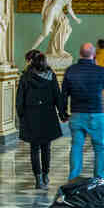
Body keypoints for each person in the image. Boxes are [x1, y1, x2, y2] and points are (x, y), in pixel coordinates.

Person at [61, 43, 104, 179]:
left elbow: (63, 94)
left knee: (76, 147)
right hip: (96, 114)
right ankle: (99, 178)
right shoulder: (100, 70)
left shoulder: (70, 70)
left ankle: (73, 178)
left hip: (77, 114)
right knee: (100, 148)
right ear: (93, 55)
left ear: (80, 54)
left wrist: (63, 113)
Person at [17, 50, 66, 189]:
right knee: (46, 147)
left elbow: (20, 99)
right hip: (48, 114)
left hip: (31, 115)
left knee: (34, 148)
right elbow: (57, 95)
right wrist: (62, 114)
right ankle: (45, 175)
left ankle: (38, 178)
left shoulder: (25, 77)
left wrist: (21, 115)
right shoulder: (51, 76)